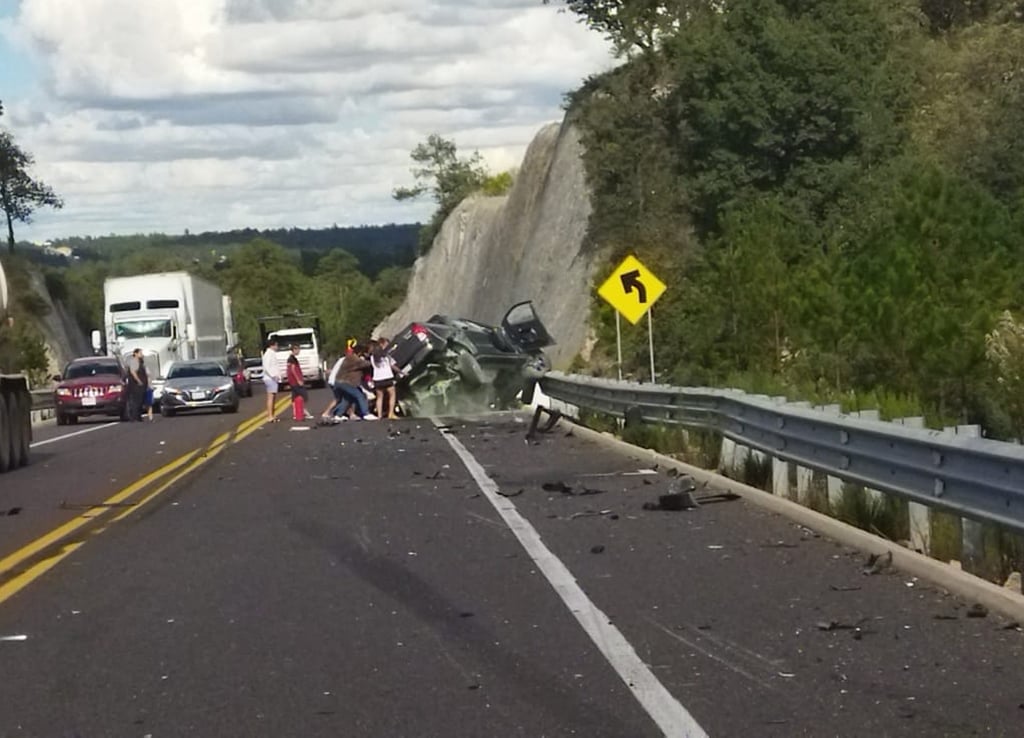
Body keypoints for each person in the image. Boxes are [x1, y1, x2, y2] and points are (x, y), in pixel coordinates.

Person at [322, 344, 376, 421]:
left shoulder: (349, 358)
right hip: (346, 382)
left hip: (339, 382)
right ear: (360, 352)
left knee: (347, 399)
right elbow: (366, 364)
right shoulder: (354, 359)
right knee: (360, 395)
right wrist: (371, 359)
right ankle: (366, 413)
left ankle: (338, 415)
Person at [370, 337, 401, 420]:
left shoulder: (373, 357)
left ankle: (379, 415)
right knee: (392, 395)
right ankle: (391, 413)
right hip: (387, 377)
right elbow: (393, 366)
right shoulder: (386, 356)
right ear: (382, 344)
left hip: (377, 379)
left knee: (379, 397)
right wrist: (401, 372)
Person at [286, 343, 313, 421]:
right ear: (294, 350)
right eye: (297, 349)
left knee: (294, 397)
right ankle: (303, 411)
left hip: (292, 381)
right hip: (295, 381)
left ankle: (296, 413)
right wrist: (298, 379)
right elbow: (293, 369)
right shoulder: (292, 359)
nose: (299, 351)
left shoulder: (291, 358)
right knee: (303, 395)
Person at [261, 338, 282, 423]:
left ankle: (272, 414)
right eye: (276, 345)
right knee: (270, 397)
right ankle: (269, 416)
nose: (277, 347)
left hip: (273, 378)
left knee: (273, 397)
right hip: (270, 378)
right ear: (272, 345)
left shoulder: (272, 353)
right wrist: (273, 376)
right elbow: (267, 367)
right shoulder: (268, 354)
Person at [126, 348, 147, 421]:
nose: (142, 354)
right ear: (135, 353)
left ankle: (138, 416)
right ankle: (134, 417)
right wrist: (138, 381)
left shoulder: (140, 362)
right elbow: (133, 372)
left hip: (141, 385)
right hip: (136, 385)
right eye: (140, 353)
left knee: (140, 400)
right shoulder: (134, 362)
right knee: (136, 401)